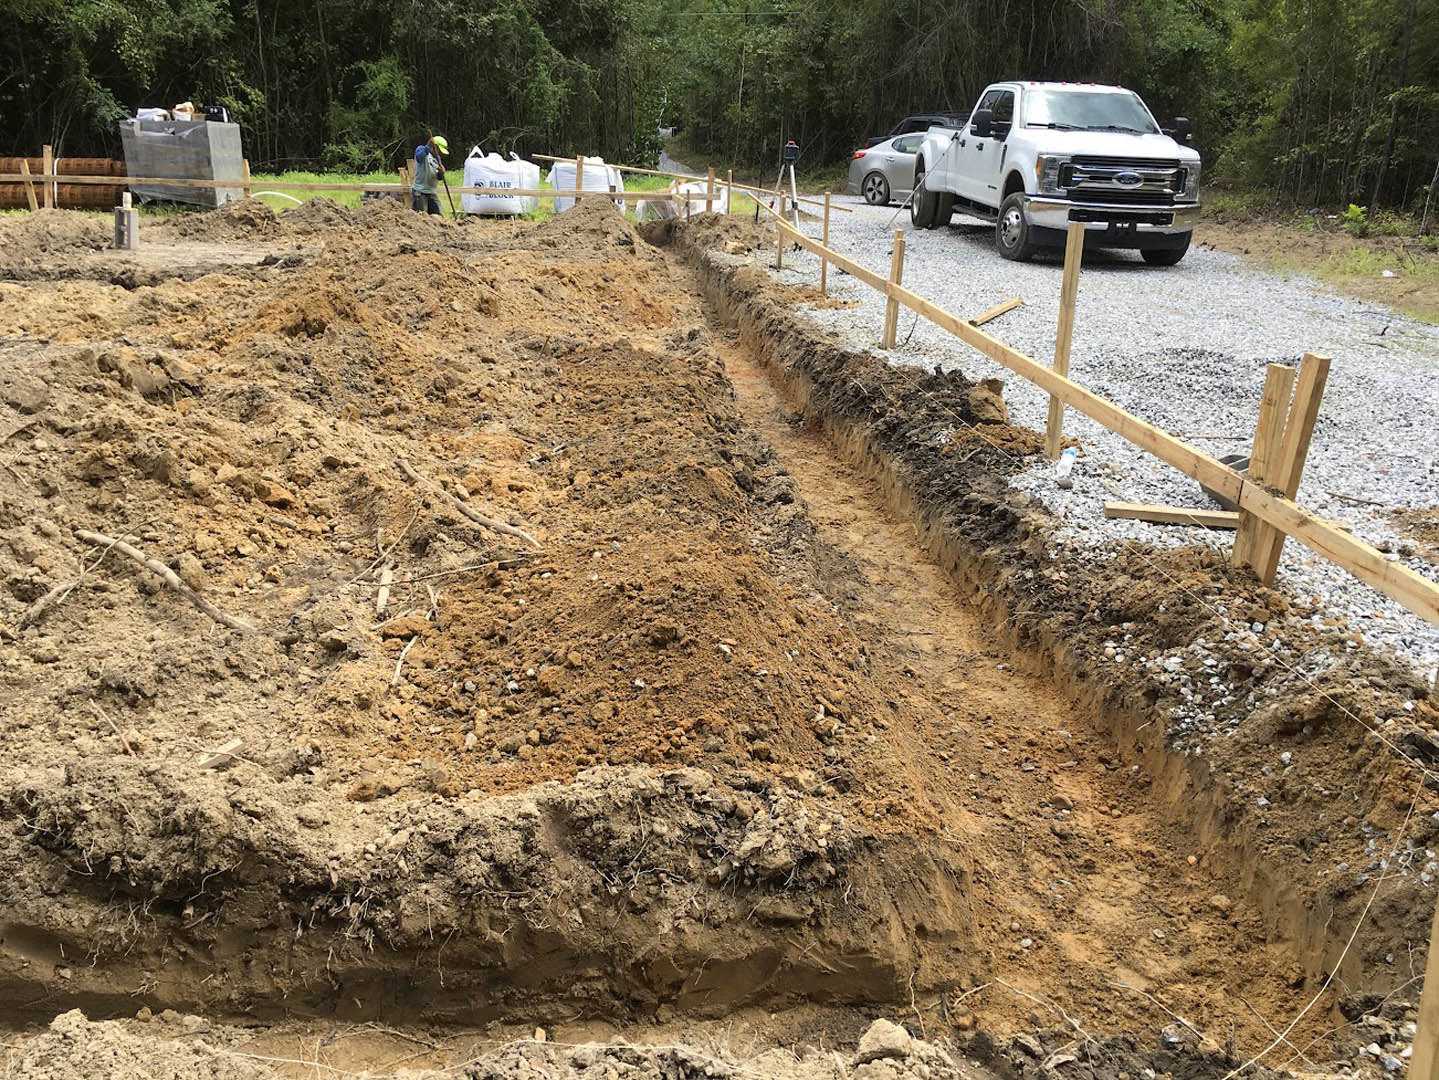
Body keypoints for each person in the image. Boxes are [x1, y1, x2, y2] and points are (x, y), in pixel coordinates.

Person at [411, 135, 448, 215]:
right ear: (434, 147)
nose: (439, 153)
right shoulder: (421, 150)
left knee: (439, 216)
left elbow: (438, 177)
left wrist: (441, 173)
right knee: (422, 217)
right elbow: (419, 158)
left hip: (431, 192)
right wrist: (428, 146)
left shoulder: (437, 159)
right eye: (439, 150)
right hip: (420, 192)